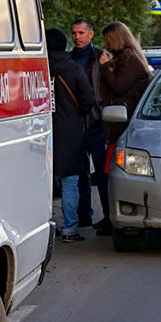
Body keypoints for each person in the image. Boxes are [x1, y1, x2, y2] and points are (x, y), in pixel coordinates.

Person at [46, 27, 97, 242]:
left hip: (40, 132)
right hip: (70, 132)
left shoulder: (37, 70)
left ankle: (43, 228)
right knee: (70, 183)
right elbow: (88, 100)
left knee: (42, 184)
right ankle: (70, 229)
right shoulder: (74, 69)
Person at [97, 21, 152, 216]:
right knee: (108, 174)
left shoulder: (129, 58)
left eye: (108, 40)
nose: (106, 45)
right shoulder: (126, 57)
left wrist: (104, 67)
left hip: (122, 126)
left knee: (112, 175)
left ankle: (113, 215)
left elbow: (119, 86)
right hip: (117, 124)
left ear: (116, 39)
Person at [69, 17, 109, 229]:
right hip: (75, 125)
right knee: (79, 174)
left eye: (81, 33)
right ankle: (84, 215)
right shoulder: (69, 60)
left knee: (103, 174)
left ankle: (109, 217)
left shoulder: (101, 57)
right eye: (74, 33)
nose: (77, 37)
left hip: (97, 124)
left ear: (91, 34)